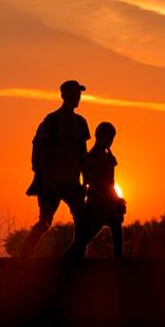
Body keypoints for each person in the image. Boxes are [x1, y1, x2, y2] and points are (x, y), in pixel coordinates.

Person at [20, 80, 91, 258]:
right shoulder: (51, 121)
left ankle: (76, 257)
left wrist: (86, 181)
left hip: (73, 182)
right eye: (74, 94)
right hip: (51, 181)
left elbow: (83, 154)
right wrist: (41, 175)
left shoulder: (81, 122)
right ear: (64, 96)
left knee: (82, 221)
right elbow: (38, 147)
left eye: (79, 94)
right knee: (45, 222)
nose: (78, 98)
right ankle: (25, 254)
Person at [66, 122, 126, 259]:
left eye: (112, 138)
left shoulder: (108, 157)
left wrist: (116, 201)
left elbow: (111, 183)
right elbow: (89, 183)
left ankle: (118, 262)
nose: (111, 141)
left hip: (108, 203)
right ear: (100, 136)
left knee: (116, 227)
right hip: (97, 205)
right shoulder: (91, 158)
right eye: (109, 138)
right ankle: (64, 263)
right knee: (82, 242)